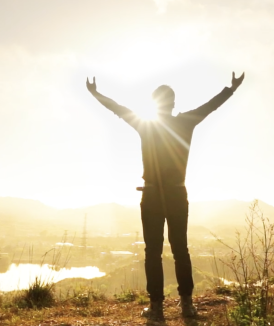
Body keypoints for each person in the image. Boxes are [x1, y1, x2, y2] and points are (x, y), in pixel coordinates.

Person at [86, 72, 244, 320]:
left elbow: (117, 108)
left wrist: (96, 94)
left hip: (151, 196)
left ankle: (157, 308)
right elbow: (210, 106)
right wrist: (230, 89)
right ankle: (186, 305)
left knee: (153, 252)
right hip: (176, 194)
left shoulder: (145, 124)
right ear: (172, 104)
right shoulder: (185, 122)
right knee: (181, 249)